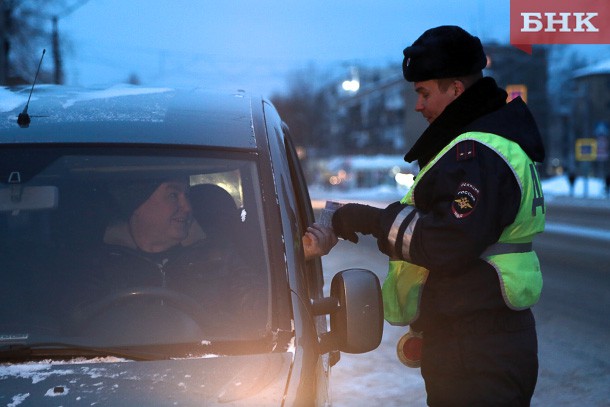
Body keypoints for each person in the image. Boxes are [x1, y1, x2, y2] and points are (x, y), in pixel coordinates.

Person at [332, 26, 545, 406]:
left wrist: (368, 220)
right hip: (480, 338)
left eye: (424, 92)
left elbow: (447, 243)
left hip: (477, 347)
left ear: (456, 90)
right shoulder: (486, 144)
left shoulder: (479, 152)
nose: (418, 105)